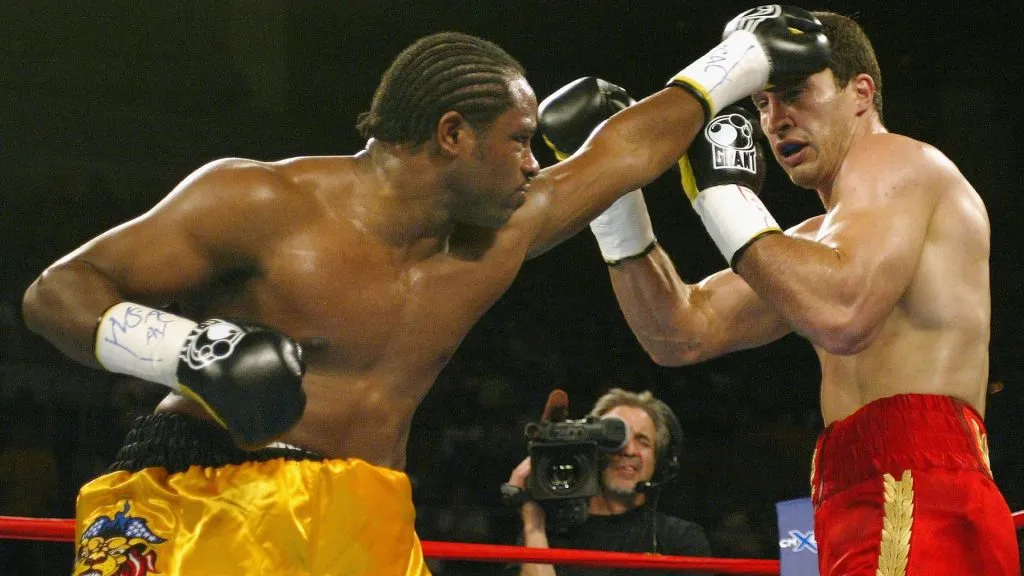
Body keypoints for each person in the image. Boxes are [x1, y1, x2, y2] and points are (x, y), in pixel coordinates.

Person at [22, 16, 829, 575]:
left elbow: (624, 152)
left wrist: (745, 60)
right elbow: (59, 293)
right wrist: (187, 355)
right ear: (451, 134)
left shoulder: (500, 234)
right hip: (210, 492)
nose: (531, 163)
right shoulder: (260, 203)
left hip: (364, 511)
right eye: (518, 141)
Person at [578, 9, 1020, 576]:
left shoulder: (901, 161)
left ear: (861, 93)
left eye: (794, 94)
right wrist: (615, 203)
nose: (775, 120)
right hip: (854, 494)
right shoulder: (811, 246)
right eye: (762, 103)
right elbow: (679, 332)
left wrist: (724, 198)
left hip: (917, 491)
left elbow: (842, 314)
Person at [506, 388, 710, 576]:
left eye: (642, 441)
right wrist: (533, 522)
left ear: (659, 459)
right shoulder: (547, 533)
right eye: (615, 439)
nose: (629, 450)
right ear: (592, 450)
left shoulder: (680, 538)